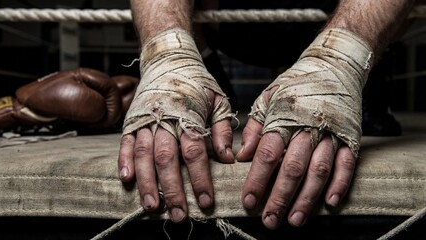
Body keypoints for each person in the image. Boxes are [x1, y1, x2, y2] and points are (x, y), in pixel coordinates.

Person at [118, 0, 417, 230]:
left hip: (343, 14)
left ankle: (358, 76)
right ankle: (210, 75)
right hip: (224, 21)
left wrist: (341, 60)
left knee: (374, 123)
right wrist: (168, 56)